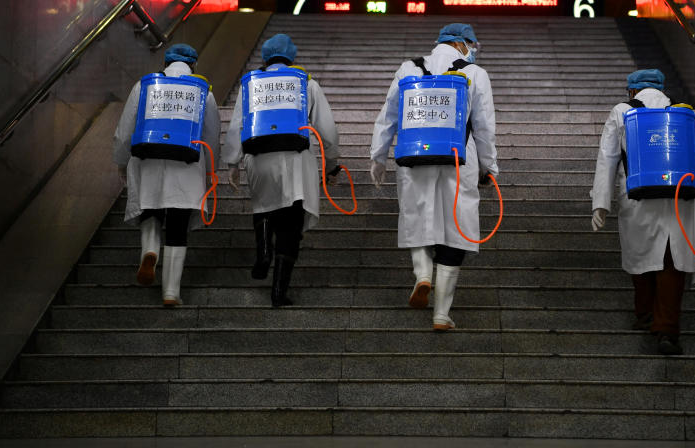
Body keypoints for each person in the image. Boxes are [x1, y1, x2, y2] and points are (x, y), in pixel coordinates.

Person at [370, 23, 499, 331]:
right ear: (462, 44)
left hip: (413, 155)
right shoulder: (474, 74)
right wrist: (488, 168)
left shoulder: (408, 68)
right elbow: (484, 127)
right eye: (472, 45)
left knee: (416, 215)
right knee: (456, 228)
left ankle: (423, 274)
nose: (474, 50)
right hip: (458, 157)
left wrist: (378, 157)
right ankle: (441, 314)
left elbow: (389, 115)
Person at [590, 68, 695, 355]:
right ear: (662, 88)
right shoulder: (685, 114)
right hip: (682, 198)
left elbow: (607, 158)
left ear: (632, 91)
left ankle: (645, 314)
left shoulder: (622, 111)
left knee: (642, 255)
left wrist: (601, 203)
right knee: (673, 262)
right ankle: (667, 331)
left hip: (637, 197)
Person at [222, 33, 341, 307]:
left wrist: (232, 163)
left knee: (264, 208)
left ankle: (263, 251)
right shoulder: (305, 82)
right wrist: (331, 165)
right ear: (291, 55)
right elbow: (328, 130)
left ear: (265, 56)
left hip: (259, 158)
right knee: (291, 225)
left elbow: (237, 124)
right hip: (297, 159)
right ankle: (278, 292)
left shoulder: (250, 83)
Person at [113, 43, 220, 306]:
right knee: (177, 225)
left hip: (147, 160)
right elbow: (211, 136)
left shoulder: (145, 85)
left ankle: (150, 250)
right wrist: (210, 172)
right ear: (193, 64)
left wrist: (121, 161)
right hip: (186, 164)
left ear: (166, 62)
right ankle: (171, 292)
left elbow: (124, 131)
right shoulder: (202, 91)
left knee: (150, 209)